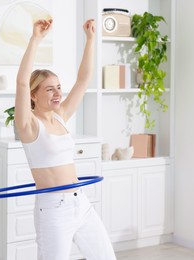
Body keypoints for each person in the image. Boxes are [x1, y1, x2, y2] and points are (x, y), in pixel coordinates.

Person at [15, 19, 117, 260]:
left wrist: (91, 39)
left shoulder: (61, 117)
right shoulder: (28, 125)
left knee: (105, 257)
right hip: (53, 209)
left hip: (80, 202)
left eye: (58, 87)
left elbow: (83, 81)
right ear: (33, 95)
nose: (58, 93)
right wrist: (36, 39)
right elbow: (20, 82)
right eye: (49, 89)